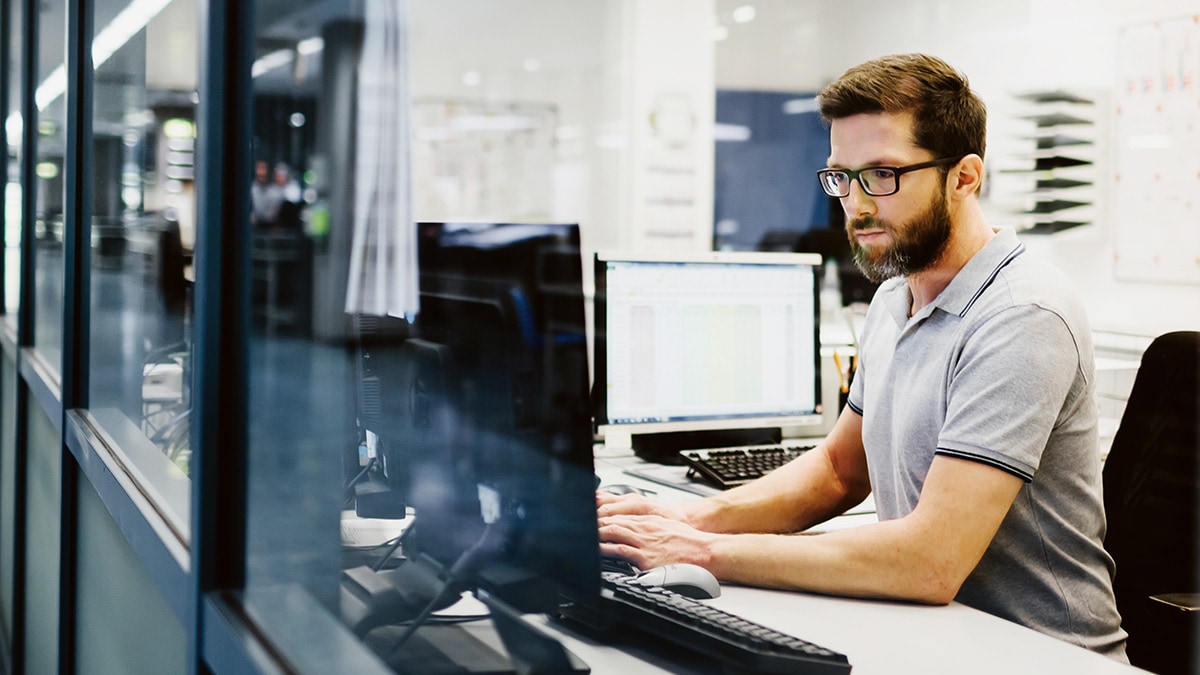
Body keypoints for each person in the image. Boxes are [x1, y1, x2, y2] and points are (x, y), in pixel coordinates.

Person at [596, 53, 1129, 661]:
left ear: (964, 176)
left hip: (1043, 655)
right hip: (939, 635)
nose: (856, 203)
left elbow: (930, 561)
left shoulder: (1020, 314)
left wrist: (698, 551)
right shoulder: (894, 297)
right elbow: (839, 472)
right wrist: (690, 518)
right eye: (841, 177)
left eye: (882, 173)